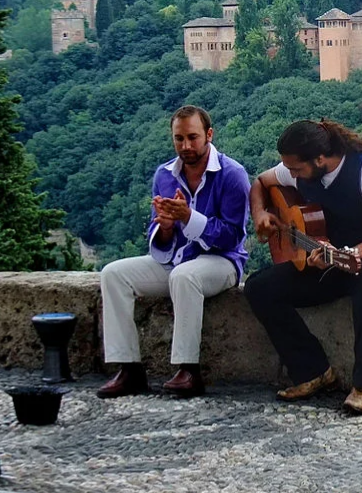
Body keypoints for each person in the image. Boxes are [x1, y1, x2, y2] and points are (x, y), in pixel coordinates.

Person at [245, 119, 362, 415]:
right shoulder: (299, 171)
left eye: (296, 169)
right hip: (328, 261)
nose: (291, 175)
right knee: (259, 288)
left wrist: (347, 254)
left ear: (319, 159)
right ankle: (313, 371)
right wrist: (259, 213)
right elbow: (260, 182)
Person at [97, 106, 251, 399]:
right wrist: (166, 228)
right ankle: (128, 367)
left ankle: (188, 369)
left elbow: (232, 236)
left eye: (192, 137)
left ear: (208, 135)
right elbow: (160, 240)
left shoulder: (233, 175)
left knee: (184, 277)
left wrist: (189, 218)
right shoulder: (164, 175)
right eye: (179, 139)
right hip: (179, 257)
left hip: (222, 262)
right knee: (114, 274)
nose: (186, 146)